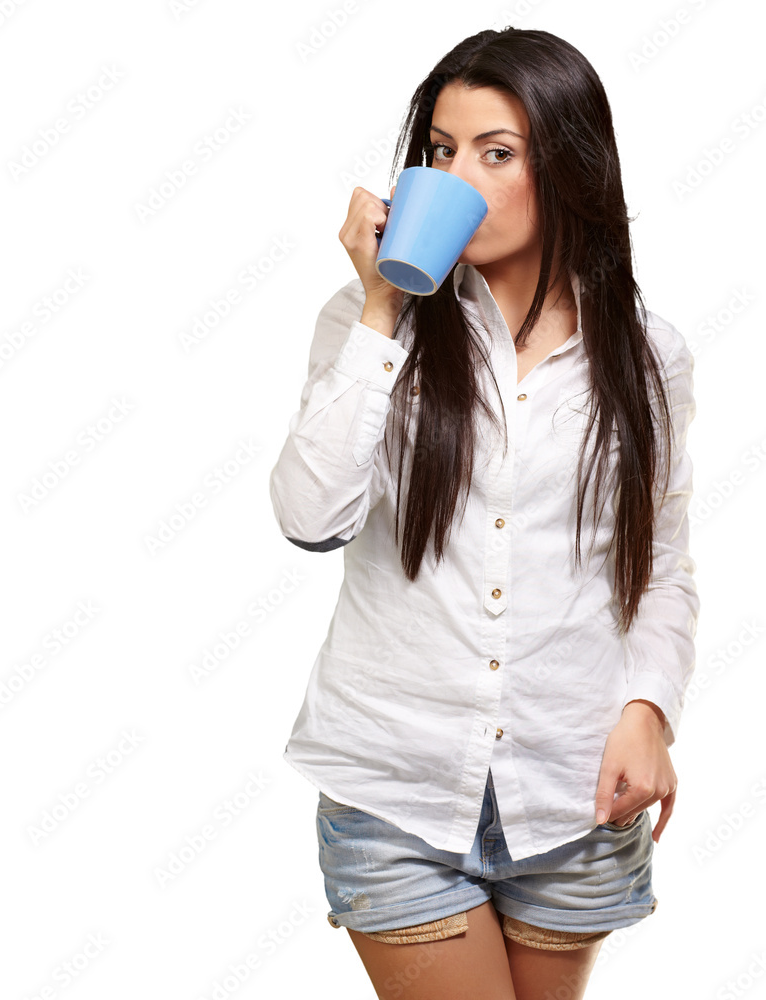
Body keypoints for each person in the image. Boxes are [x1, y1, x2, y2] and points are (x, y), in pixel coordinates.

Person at [269, 26, 699, 1000]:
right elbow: (307, 515)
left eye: (494, 153)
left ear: (570, 169)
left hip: (576, 797)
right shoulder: (362, 327)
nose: (455, 176)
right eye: (439, 150)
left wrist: (648, 711)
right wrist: (382, 311)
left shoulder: (647, 356)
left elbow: (660, 564)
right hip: (396, 794)